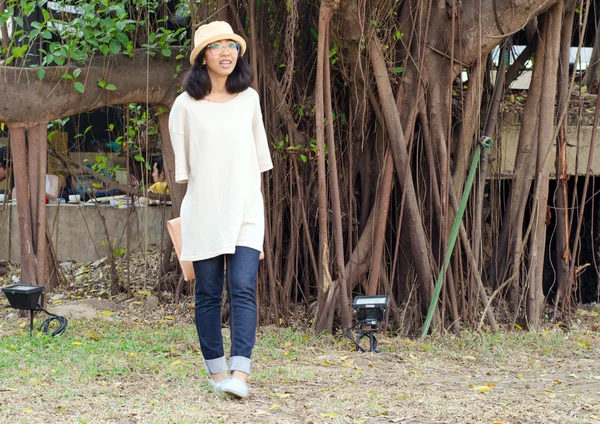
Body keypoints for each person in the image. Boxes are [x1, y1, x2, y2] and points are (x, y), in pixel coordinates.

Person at [170, 21, 273, 399]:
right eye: (217, 47)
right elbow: (187, 171)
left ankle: (240, 374)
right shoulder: (185, 106)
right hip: (205, 211)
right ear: (202, 58)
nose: (227, 52)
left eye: (232, 45)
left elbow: (258, 160)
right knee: (209, 294)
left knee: (243, 288)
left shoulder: (250, 99)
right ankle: (216, 373)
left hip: (246, 208)